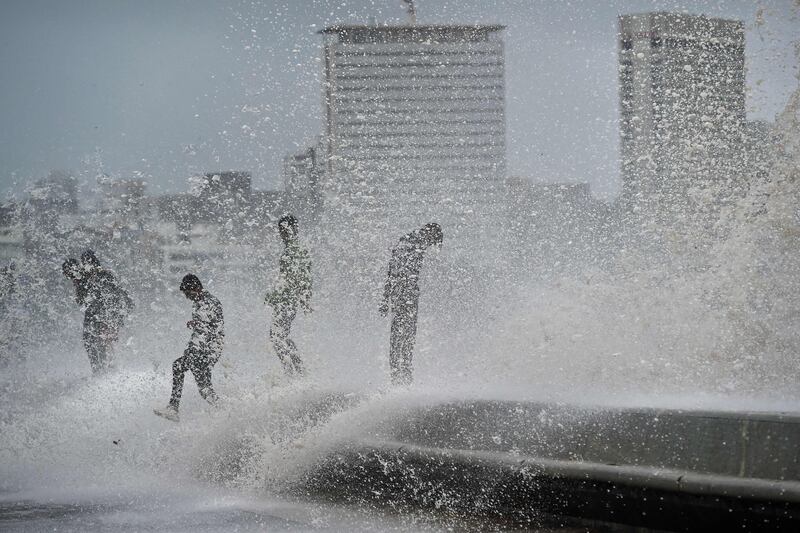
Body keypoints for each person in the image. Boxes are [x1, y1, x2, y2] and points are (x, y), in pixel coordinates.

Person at [379, 222, 443, 386]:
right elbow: (404, 272)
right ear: (431, 236)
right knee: (407, 335)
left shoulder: (404, 240)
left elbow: (391, 270)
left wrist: (386, 299)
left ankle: (396, 374)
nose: (431, 246)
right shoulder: (418, 242)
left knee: (396, 335)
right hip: (408, 294)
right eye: (433, 242)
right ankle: (404, 373)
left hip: (397, 293)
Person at [154, 274, 224, 422]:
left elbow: (208, 332)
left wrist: (192, 350)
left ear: (195, 288)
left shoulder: (207, 302)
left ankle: (173, 408)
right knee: (205, 389)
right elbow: (208, 327)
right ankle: (227, 411)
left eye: (187, 292)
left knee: (179, 367)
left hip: (205, 352)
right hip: (206, 351)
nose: (186, 296)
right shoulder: (201, 302)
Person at [63, 251, 133, 373]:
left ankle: (105, 370)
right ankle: (101, 370)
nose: (71, 280)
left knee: (100, 341)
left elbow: (116, 295)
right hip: (98, 314)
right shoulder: (86, 278)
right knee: (93, 341)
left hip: (106, 313)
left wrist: (116, 316)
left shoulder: (102, 276)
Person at [264, 214, 312, 376]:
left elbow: (300, 277)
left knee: (277, 337)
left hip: (287, 301)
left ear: (293, 229)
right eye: (280, 230)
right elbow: (301, 277)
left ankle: (291, 371)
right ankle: (298, 369)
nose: (282, 234)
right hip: (287, 301)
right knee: (281, 336)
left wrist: (304, 298)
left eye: (284, 230)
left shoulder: (294, 249)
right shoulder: (296, 248)